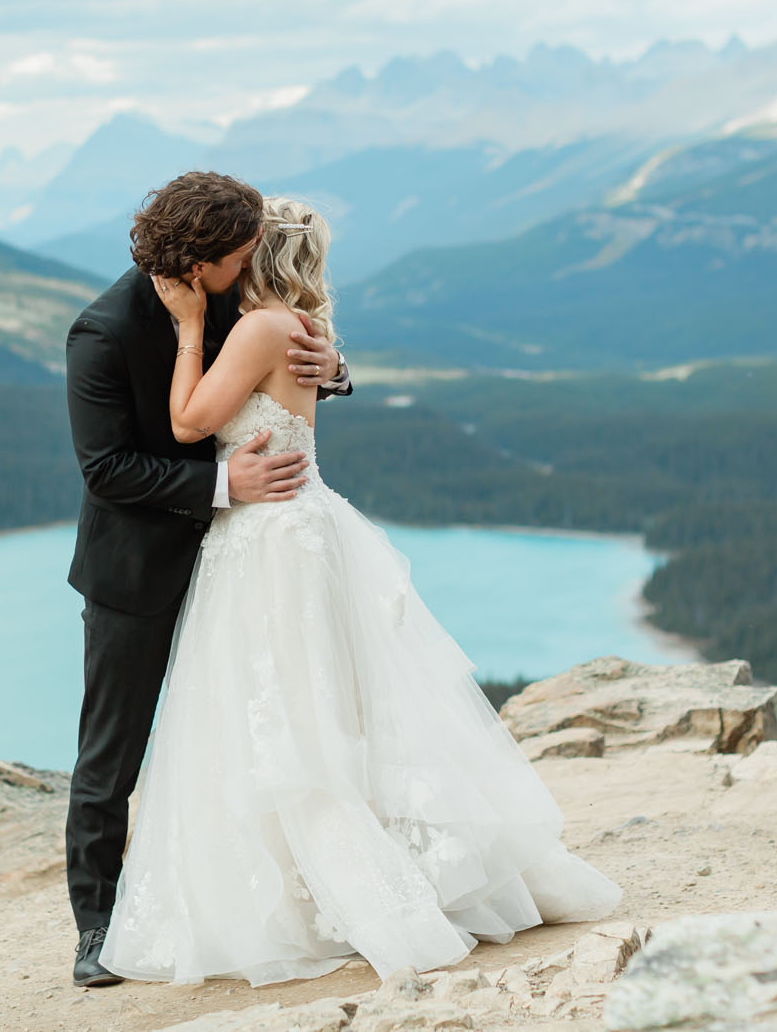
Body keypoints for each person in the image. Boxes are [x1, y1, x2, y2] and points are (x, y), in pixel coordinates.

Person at [96, 194, 622, 986]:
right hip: (302, 526)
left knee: (290, 719)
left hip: (270, 539)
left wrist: (191, 329)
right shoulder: (302, 325)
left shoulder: (259, 326)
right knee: (320, 709)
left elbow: (187, 422)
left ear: (257, 256)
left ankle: (340, 894)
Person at [63, 171, 354, 987]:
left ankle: (237, 901)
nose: (250, 260)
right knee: (111, 755)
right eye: (236, 255)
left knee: (247, 733)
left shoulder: (235, 298)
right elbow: (107, 468)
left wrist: (332, 364)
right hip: (141, 571)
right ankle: (96, 928)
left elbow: (286, 357)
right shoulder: (102, 332)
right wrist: (226, 488)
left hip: (246, 562)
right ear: (198, 266)